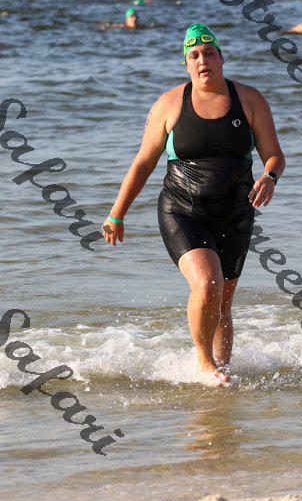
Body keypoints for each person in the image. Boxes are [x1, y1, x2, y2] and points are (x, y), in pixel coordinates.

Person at [102, 23, 285, 386]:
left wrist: (269, 176)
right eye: (194, 56)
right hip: (182, 209)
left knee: (223, 302)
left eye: (209, 53)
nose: (203, 61)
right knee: (207, 282)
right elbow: (143, 163)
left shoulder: (249, 100)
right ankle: (204, 364)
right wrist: (116, 214)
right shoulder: (169, 104)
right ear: (186, 64)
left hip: (236, 212)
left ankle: (222, 372)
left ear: (221, 58)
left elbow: (274, 154)